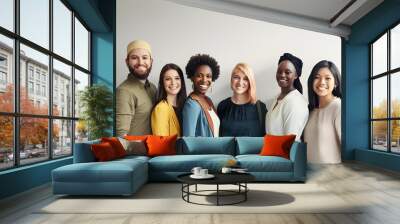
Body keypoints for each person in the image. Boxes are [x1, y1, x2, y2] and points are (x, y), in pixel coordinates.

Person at [116, 40, 157, 136]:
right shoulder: (124, 91)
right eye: (134, 58)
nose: (140, 62)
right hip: (135, 151)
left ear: (151, 61)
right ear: (127, 62)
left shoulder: (153, 88)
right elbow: (121, 135)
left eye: (145, 58)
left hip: (155, 149)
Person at [304, 60, 342, 164]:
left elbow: (347, 148)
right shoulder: (310, 110)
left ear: (336, 83)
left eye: (327, 78)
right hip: (311, 174)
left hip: (332, 175)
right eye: (317, 77)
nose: (322, 82)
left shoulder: (338, 107)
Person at [265, 53, 309, 141]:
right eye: (279, 71)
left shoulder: (296, 102)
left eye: (287, 72)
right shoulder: (278, 98)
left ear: (296, 75)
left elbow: (289, 142)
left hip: (283, 154)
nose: (282, 75)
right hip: (272, 153)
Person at [217, 63, 267, 137]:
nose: (240, 82)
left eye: (245, 79)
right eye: (236, 77)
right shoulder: (222, 106)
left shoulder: (260, 108)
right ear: (231, 80)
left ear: (250, 82)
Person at [182, 54, 220, 137]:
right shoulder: (191, 104)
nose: (204, 80)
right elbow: (189, 140)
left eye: (208, 76)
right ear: (192, 77)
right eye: (199, 75)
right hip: (203, 150)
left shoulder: (208, 101)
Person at [151, 63, 187, 136]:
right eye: (168, 79)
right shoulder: (160, 109)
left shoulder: (185, 105)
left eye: (177, 78)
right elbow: (161, 143)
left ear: (181, 81)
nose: (173, 82)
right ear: (162, 83)